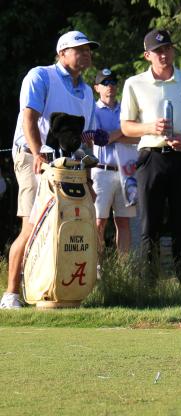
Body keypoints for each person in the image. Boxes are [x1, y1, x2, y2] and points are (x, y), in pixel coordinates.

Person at [1, 30, 100, 309]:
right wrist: (37, 154)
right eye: (79, 49)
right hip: (34, 158)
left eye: (88, 50)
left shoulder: (86, 92)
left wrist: (89, 179)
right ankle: (10, 294)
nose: (86, 54)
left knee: (59, 228)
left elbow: (85, 140)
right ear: (62, 53)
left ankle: (50, 288)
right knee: (31, 226)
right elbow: (29, 119)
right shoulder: (41, 76)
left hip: (66, 166)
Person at [120, 29, 181, 274]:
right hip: (151, 156)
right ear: (147, 55)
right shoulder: (134, 84)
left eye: (167, 49)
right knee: (149, 223)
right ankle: (149, 283)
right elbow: (126, 126)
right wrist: (151, 127)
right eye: (158, 51)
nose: (163, 54)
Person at [90, 68, 140, 256]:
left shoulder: (127, 108)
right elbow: (99, 139)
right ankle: (97, 267)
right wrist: (125, 130)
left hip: (127, 172)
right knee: (98, 222)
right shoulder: (92, 109)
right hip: (101, 172)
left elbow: (139, 137)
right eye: (105, 83)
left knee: (123, 222)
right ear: (97, 88)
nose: (110, 86)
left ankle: (123, 269)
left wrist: (114, 135)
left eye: (112, 82)